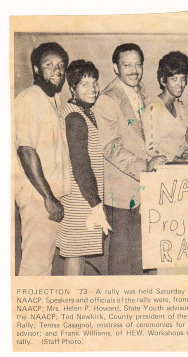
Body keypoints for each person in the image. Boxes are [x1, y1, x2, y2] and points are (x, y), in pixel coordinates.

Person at [93, 43, 166, 275]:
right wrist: (145, 166)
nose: (134, 70)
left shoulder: (142, 92)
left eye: (138, 65)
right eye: (127, 65)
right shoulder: (107, 99)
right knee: (123, 260)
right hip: (122, 192)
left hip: (144, 188)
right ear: (116, 68)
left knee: (141, 256)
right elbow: (109, 147)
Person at [14, 42, 71, 275]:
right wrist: (48, 197)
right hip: (39, 198)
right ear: (36, 70)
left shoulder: (54, 100)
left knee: (43, 265)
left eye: (61, 66)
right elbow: (26, 151)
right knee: (35, 267)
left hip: (50, 198)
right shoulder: (29, 99)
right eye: (49, 65)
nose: (57, 71)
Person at [57, 60, 111, 275]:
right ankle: (73, 301)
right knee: (75, 253)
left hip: (82, 196)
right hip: (80, 199)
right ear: (72, 88)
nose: (93, 89)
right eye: (85, 84)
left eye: (94, 82)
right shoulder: (75, 117)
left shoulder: (82, 111)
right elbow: (80, 165)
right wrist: (95, 204)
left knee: (77, 253)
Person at [142, 51, 188, 162]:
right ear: (163, 80)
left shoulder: (179, 106)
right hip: (161, 168)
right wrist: (176, 159)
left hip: (179, 166)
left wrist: (187, 155)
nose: (180, 84)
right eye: (174, 79)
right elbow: (151, 148)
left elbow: (182, 141)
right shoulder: (154, 108)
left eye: (183, 79)